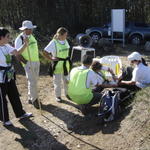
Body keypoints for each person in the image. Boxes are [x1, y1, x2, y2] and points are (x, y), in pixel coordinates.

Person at [0, 27, 32, 126]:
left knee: (14, 94)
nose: (9, 38)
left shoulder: (6, 46)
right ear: (1, 37)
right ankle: (5, 119)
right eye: (7, 36)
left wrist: (25, 44)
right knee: (2, 99)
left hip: (9, 74)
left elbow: (17, 52)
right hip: (0, 77)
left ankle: (20, 113)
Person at [15, 20, 40, 108]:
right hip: (28, 63)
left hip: (36, 61)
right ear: (24, 29)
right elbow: (17, 53)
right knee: (32, 81)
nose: (31, 30)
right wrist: (26, 63)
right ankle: (34, 100)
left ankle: (30, 97)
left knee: (34, 80)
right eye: (29, 29)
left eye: (31, 28)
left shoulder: (31, 36)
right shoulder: (20, 39)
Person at [43, 27, 71, 102]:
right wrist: (51, 58)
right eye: (65, 35)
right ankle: (58, 96)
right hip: (58, 65)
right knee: (57, 82)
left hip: (66, 65)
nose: (66, 36)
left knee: (67, 80)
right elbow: (45, 52)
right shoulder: (53, 42)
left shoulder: (65, 41)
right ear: (60, 35)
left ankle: (67, 94)